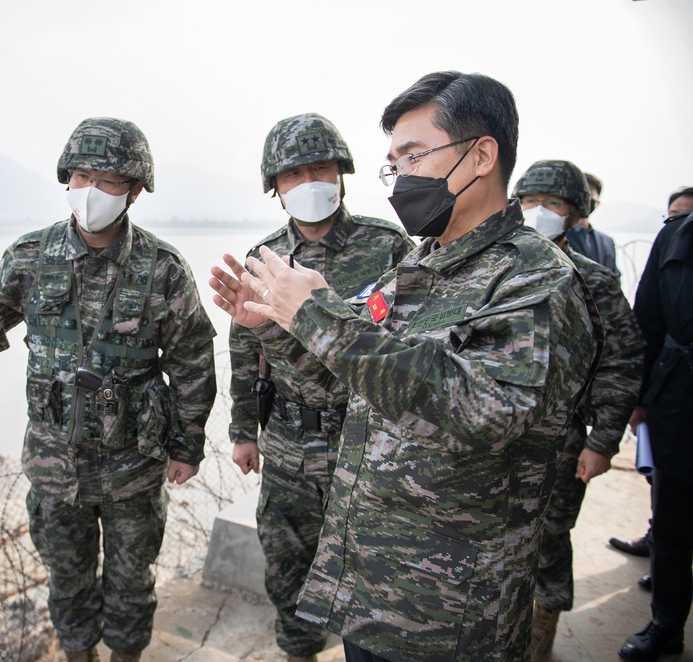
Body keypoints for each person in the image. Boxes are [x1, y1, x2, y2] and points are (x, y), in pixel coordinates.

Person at [210, 71, 599, 662]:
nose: (400, 177)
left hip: (450, 608)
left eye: (414, 155)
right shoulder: (417, 271)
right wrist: (280, 331)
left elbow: (484, 413)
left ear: (481, 155)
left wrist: (316, 318)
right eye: (393, 162)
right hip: (375, 584)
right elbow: (356, 384)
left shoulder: (532, 279)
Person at [0, 118, 217, 662]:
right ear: (67, 179)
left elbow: (191, 360)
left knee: (131, 580)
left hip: (133, 465)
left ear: (135, 190)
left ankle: (125, 655)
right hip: (53, 465)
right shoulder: (30, 255)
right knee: (66, 580)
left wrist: (187, 446)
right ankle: (77, 654)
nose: (92, 191)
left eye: (109, 180)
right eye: (83, 176)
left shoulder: (161, 268)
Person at [228, 113, 413, 662]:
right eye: (293, 175)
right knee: (287, 568)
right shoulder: (263, 259)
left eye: (320, 169)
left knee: (370, 575)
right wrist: (244, 433)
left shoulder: (387, 248)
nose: (308, 182)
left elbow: (405, 345)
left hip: (366, 441)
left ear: (342, 174)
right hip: (286, 444)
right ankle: (297, 652)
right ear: (276, 188)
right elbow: (244, 353)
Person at [513, 160, 644, 662]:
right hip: (495, 440)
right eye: (528, 202)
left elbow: (623, 361)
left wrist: (601, 441)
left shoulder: (595, 283)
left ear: (575, 215)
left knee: (548, 543)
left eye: (553, 205)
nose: (538, 213)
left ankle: (539, 640)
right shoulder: (493, 270)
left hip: (561, 443)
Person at [617, 202, 693, 662]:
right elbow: (645, 322)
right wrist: (639, 399)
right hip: (679, 403)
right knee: (671, 526)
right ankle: (667, 624)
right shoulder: (675, 236)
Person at [566, 173, 620, 277]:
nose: (584, 197)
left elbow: (614, 277)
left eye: (589, 191)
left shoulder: (607, 241)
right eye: (580, 191)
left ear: (597, 203)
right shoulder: (556, 236)